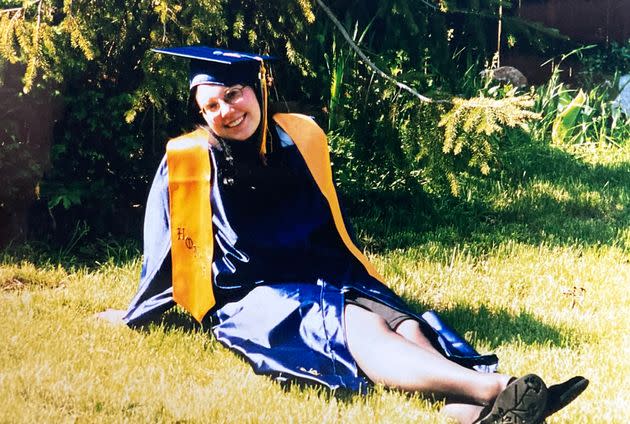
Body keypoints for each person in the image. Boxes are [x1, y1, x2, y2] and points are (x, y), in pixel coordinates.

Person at [98, 46, 588, 424]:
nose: (226, 111)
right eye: (211, 106)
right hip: (251, 292)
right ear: (200, 113)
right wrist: (136, 312)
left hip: (320, 270)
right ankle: (498, 390)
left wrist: (351, 279)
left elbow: (328, 222)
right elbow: (169, 250)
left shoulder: (297, 138)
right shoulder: (188, 161)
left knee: (404, 324)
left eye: (233, 95)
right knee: (354, 325)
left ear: (256, 90)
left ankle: (468, 409)